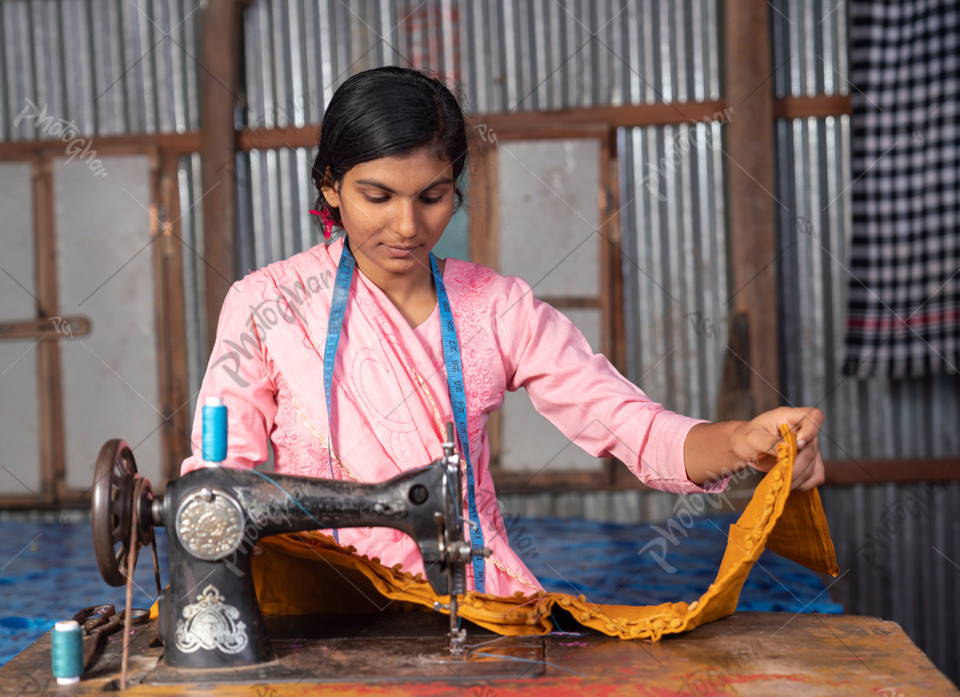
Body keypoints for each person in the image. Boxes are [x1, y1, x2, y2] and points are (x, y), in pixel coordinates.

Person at [182, 66, 825, 598]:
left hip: (471, 594)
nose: (407, 225)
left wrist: (743, 441)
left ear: (455, 190)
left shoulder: (495, 306)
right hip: (317, 598)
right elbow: (218, 485)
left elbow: (634, 427)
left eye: (431, 196)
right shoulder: (267, 303)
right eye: (377, 197)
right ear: (330, 186)